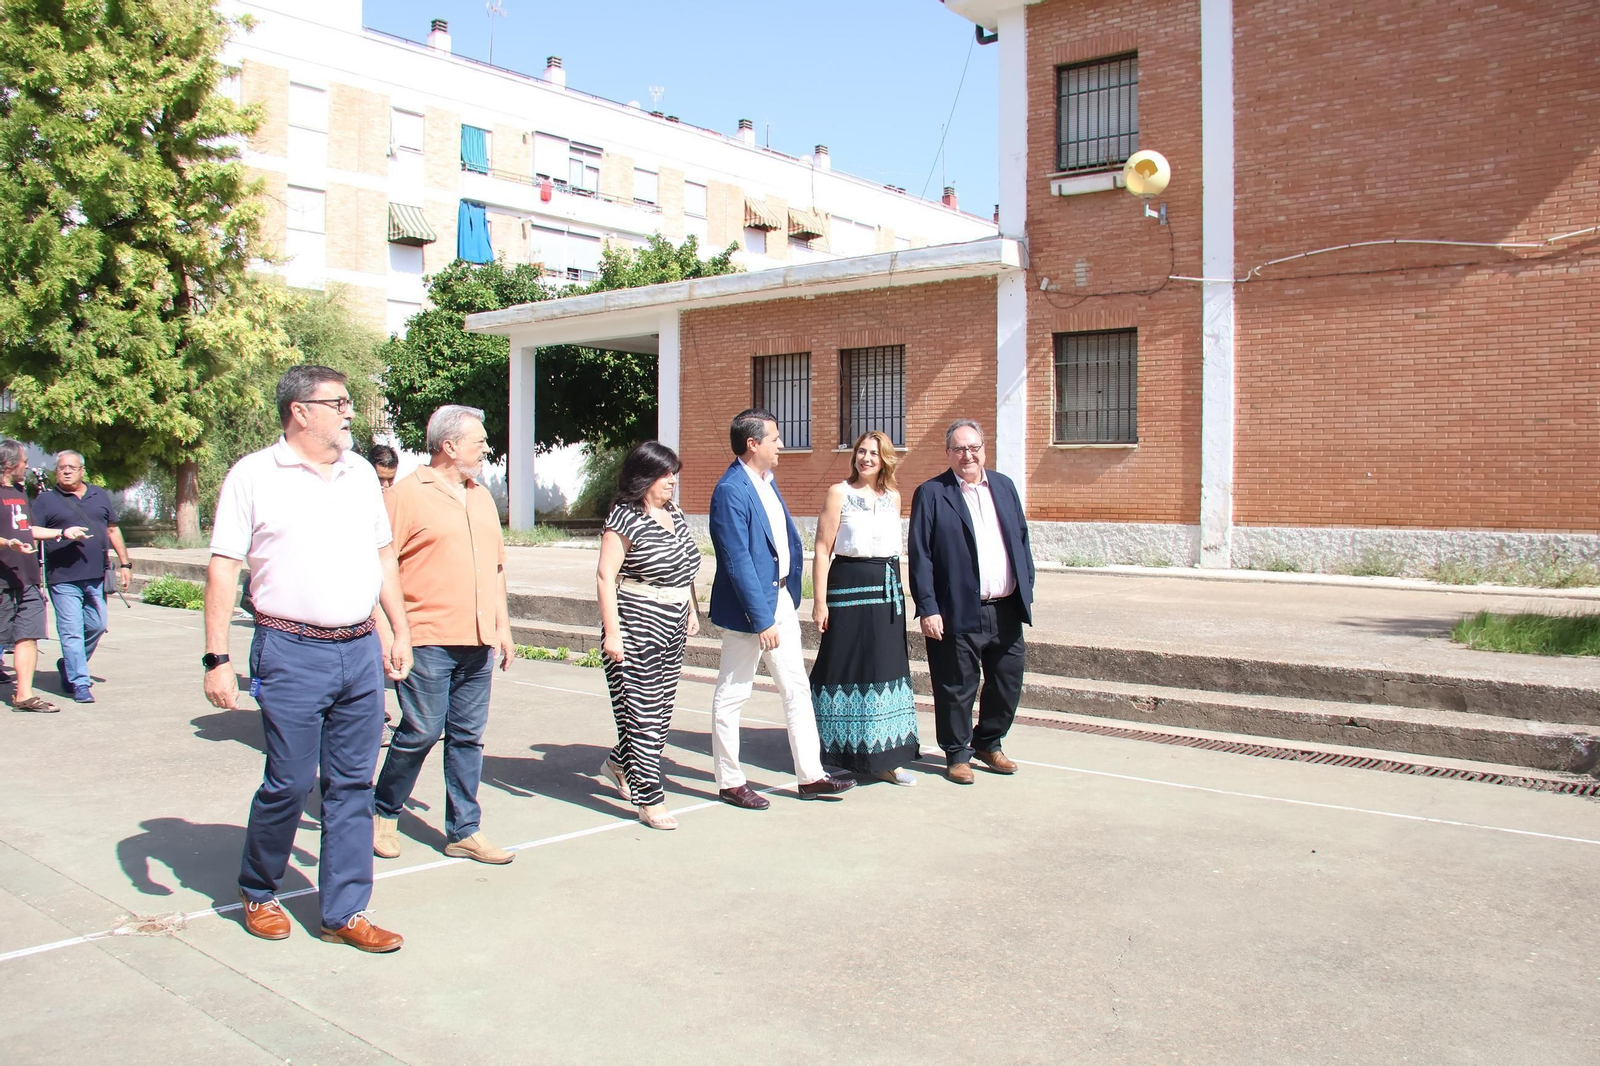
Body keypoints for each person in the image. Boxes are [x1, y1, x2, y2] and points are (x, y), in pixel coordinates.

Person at [203, 365, 412, 953]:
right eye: (339, 403)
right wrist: (216, 657)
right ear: (300, 411)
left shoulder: (361, 475)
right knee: (290, 782)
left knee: (352, 786)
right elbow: (224, 567)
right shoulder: (254, 475)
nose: (349, 413)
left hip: (359, 649)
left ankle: (345, 912)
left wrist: (399, 629)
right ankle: (259, 889)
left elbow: (383, 557)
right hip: (289, 648)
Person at [372, 405, 516, 865]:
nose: (486, 449)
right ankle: (383, 810)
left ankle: (464, 830)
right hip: (425, 636)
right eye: (479, 441)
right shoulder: (405, 495)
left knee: (468, 736)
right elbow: (380, 566)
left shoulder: (481, 496)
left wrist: (503, 627)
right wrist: (387, 633)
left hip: (478, 638)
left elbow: (495, 568)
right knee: (421, 730)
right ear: (449, 446)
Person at [707, 408, 855, 808]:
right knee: (733, 693)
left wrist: (787, 600)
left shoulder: (766, 482)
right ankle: (730, 781)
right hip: (751, 612)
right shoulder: (730, 490)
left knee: (796, 688)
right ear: (753, 444)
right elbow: (736, 560)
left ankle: (811, 776)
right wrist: (761, 618)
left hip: (781, 603)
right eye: (775, 438)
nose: (782, 445)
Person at [907, 419, 1035, 785]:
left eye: (973, 447)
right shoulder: (932, 493)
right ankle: (957, 754)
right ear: (948, 453)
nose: (968, 455)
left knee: (1007, 681)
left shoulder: (1005, 487)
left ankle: (988, 742)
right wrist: (928, 607)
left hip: (1006, 606)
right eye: (960, 449)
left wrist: (1026, 584)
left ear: (984, 448)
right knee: (955, 685)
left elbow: (1021, 540)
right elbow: (921, 554)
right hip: (956, 609)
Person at [595, 441, 702, 830]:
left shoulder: (673, 512)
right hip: (635, 620)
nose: (672, 481)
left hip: (672, 620)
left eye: (673, 473)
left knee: (660, 710)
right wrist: (613, 632)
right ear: (643, 477)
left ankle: (619, 764)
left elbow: (686, 565)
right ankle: (649, 798)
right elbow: (606, 576)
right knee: (643, 713)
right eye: (664, 474)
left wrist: (691, 606)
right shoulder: (624, 517)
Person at [811, 431, 919, 785]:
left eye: (873, 453)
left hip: (886, 592)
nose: (866, 458)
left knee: (884, 669)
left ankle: (886, 756)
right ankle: (830, 750)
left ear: (885, 458)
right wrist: (819, 602)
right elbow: (823, 548)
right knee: (842, 665)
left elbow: (894, 551)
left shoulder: (894, 497)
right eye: (861, 452)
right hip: (847, 589)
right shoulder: (838, 493)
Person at [31, 450, 130, 703]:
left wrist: (126, 563)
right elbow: (32, 530)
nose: (66, 471)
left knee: (97, 625)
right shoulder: (46, 500)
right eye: (62, 467)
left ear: (82, 471)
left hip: (96, 575)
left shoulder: (99, 494)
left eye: (72, 467)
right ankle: (80, 683)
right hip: (62, 577)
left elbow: (112, 529)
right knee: (72, 632)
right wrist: (62, 533)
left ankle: (70, 664)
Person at [0, 440, 88, 713]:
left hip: (27, 577)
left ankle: (24, 695)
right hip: (2, 580)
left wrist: (63, 532)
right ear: (10, 463)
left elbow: (28, 530)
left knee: (29, 635)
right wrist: (8, 543)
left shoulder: (19, 492)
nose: (27, 465)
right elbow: (13, 537)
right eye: (24, 461)